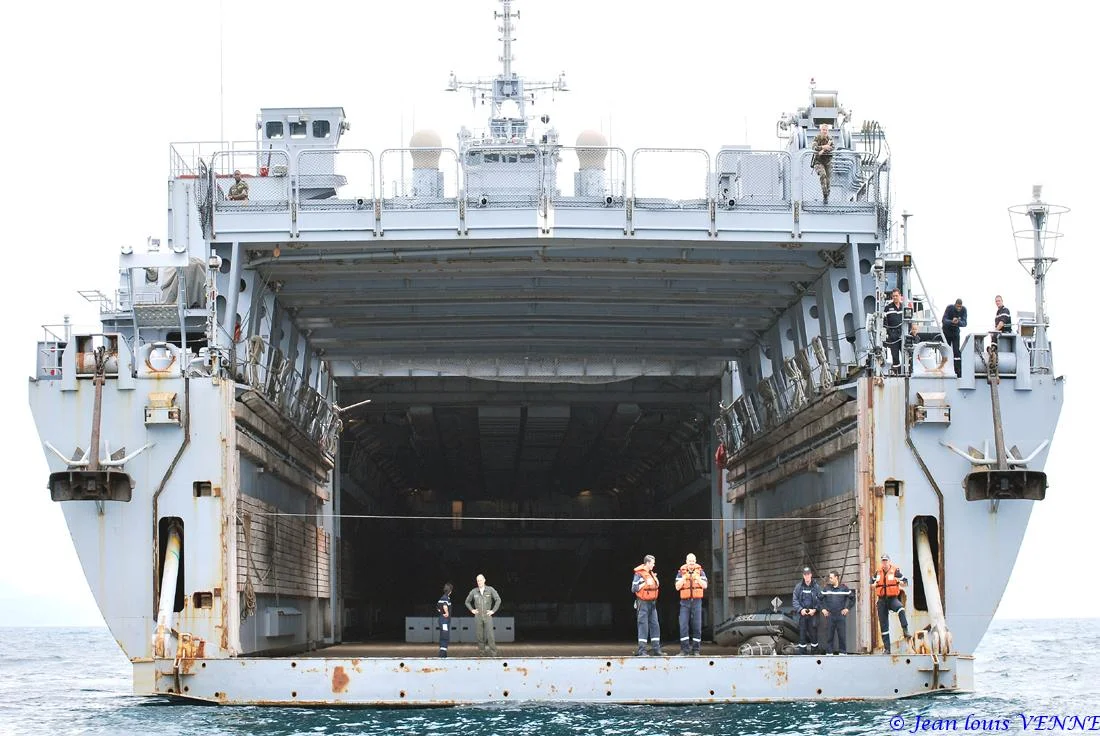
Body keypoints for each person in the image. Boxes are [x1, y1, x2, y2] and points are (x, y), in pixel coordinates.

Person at [872, 554, 910, 653]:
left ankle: (905, 629)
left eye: (886, 560)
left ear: (889, 561)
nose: (884, 562)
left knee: (901, 608)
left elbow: (906, 582)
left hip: (892, 598)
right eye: (883, 561)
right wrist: (874, 584)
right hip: (881, 600)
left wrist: (899, 582)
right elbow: (871, 583)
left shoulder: (895, 571)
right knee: (884, 625)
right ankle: (887, 649)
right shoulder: (877, 572)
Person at [674, 552, 708, 656]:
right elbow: (677, 587)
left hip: (697, 602)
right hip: (685, 602)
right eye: (690, 561)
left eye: (693, 561)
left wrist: (697, 578)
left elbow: (705, 586)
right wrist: (684, 578)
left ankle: (696, 650)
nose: (692, 563)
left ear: (695, 561)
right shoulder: (681, 572)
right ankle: (684, 650)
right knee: (683, 624)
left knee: (697, 625)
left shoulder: (701, 572)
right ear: (686, 562)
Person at [631, 554, 663, 656]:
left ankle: (656, 649)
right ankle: (642, 651)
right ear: (648, 563)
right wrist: (645, 583)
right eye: (653, 563)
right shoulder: (639, 574)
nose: (654, 565)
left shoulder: (651, 573)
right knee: (643, 626)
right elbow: (634, 588)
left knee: (655, 625)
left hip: (652, 604)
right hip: (643, 603)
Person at [464, 574, 501, 656]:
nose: (479, 582)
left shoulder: (490, 589)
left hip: (487, 616)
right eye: (478, 581)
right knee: (480, 636)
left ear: (484, 580)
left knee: (490, 636)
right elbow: (467, 602)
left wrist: (493, 611)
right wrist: (472, 610)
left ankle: (494, 653)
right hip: (478, 617)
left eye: (480, 580)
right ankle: (482, 653)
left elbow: (498, 600)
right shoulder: (474, 591)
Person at [820, 571, 855, 655]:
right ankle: (829, 652)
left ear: (836, 578)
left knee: (842, 635)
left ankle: (843, 652)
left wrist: (847, 608)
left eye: (831, 578)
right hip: (830, 615)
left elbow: (852, 598)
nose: (830, 579)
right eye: (829, 578)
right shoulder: (826, 589)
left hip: (840, 616)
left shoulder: (844, 588)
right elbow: (819, 599)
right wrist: (823, 609)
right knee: (829, 636)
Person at [792, 566, 821, 654]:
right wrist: (801, 610)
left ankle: (815, 654)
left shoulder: (816, 587)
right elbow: (795, 600)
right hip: (802, 616)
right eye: (805, 575)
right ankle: (802, 655)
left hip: (813, 616)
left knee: (814, 636)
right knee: (802, 637)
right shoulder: (798, 587)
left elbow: (820, 600)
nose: (807, 576)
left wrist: (815, 610)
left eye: (808, 574)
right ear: (803, 576)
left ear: (811, 575)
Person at [941, 298, 968, 376]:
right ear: (955, 305)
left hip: (955, 333)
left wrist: (958, 322)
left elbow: (965, 323)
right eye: (957, 307)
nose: (959, 308)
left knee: (956, 351)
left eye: (960, 307)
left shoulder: (964, 310)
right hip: (946, 332)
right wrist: (951, 321)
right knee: (946, 351)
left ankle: (957, 371)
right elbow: (944, 320)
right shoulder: (950, 308)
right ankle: (945, 368)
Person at [883, 288, 905, 373]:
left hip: (903, 333)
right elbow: (884, 322)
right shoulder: (888, 308)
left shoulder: (904, 307)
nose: (895, 297)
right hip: (893, 335)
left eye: (896, 296)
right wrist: (888, 333)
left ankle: (908, 372)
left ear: (900, 296)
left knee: (906, 354)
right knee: (895, 356)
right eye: (893, 296)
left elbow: (909, 321)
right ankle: (897, 373)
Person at [811, 123, 834, 204]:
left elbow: (832, 148)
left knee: (828, 181)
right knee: (823, 175)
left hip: (827, 162)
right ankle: (824, 194)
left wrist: (825, 149)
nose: (825, 131)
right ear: (821, 130)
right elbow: (814, 147)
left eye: (826, 130)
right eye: (823, 130)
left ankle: (827, 195)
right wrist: (824, 147)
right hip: (818, 161)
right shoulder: (817, 138)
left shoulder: (829, 138)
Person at [437, 582, 453, 658]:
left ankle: (443, 652)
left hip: (441, 619)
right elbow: (444, 605)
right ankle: (442, 654)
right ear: (450, 591)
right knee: (445, 636)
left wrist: (441, 612)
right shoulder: (445, 598)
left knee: (443, 635)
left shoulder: (441, 598)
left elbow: (438, 608)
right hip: (444, 621)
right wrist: (446, 613)